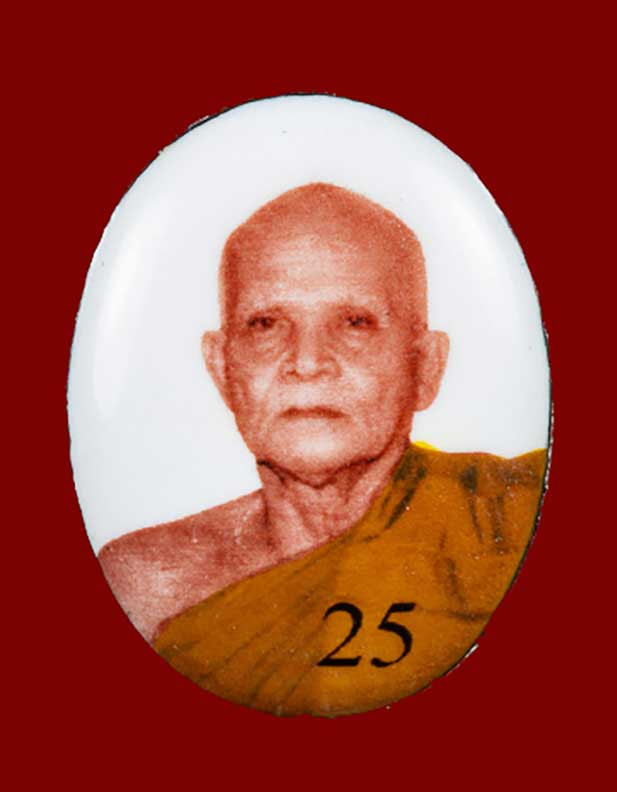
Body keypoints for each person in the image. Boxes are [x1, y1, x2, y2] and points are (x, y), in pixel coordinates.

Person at [99, 183, 546, 716]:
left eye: (355, 322)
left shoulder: (512, 520)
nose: (308, 362)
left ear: (425, 368)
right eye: (265, 324)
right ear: (222, 369)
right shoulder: (149, 584)